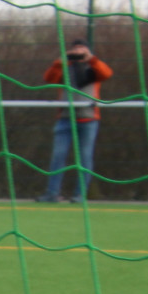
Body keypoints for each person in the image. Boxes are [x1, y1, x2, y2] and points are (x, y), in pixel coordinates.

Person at [35, 39, 114, 203]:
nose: (78, 53)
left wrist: (91, 59)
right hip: (65, 118)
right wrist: (61, 61)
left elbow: (107, 74)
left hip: (89, 118)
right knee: (58, 156)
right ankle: (52, 193)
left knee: (85, 157)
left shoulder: (94, 68)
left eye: (81, 50)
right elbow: (49, 78)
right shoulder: (65, 68)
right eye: (75, 50)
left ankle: (80, 195)